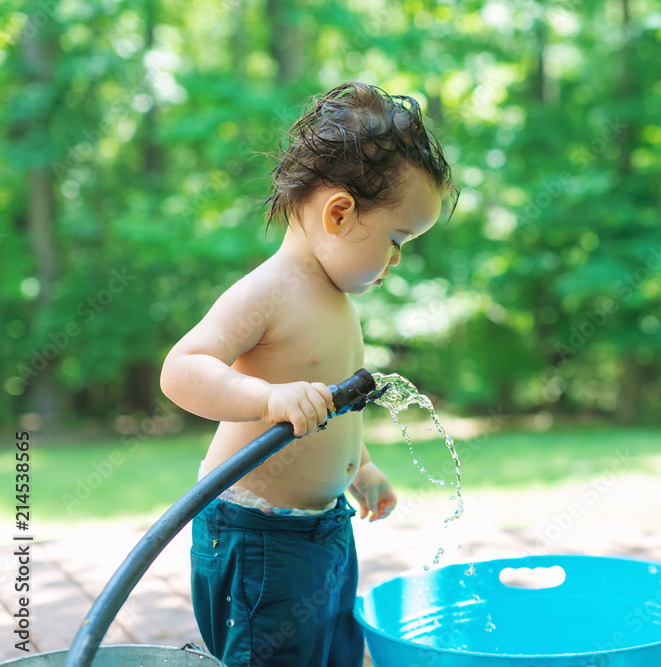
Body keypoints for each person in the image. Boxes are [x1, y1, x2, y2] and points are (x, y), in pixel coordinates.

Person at [159, 81, 456, 667]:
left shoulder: (336, 298)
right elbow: (182, 370)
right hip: (256, 533)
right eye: (397, 241)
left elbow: (336, 405)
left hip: (323, 527)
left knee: (332, 651)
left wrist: (360, 466)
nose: (396, 260)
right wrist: (267, 397)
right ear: (340, 213)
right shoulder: (270, 291)